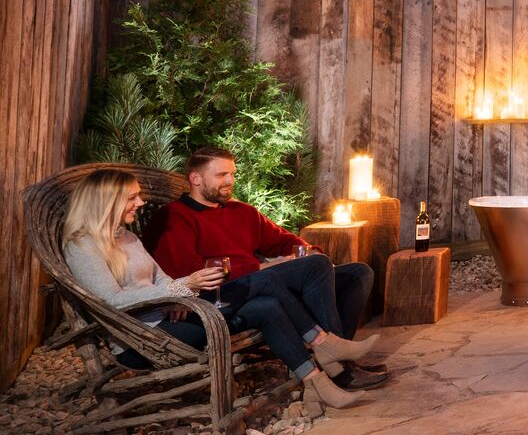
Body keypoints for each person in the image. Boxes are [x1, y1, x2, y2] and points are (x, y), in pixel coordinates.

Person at [62, 168, 370, 410]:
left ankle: (317, 383)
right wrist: (185, 287)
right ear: (107, 201)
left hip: (174, 318)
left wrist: (177, 294)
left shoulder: (127, 237)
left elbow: (159, 282)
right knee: (264, 280)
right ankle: (323, 343)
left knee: (267, 306)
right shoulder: (81, 246)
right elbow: (112, 301)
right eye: (132, 197)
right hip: (142, 339)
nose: (139, 203)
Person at [149, 147, 388, 391]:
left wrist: (305, 250)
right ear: (195, 179)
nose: (230, 181)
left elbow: (281, 240)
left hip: (264, 280)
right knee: (316, 266)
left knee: (358, 273)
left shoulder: (242, 212)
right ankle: (342, 371)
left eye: (232, 174)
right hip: (225, 293)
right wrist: (262, 266)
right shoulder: (174, 218)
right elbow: (190, 271)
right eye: (222, 175)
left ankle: (334, 355)